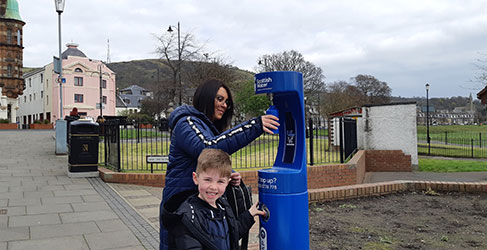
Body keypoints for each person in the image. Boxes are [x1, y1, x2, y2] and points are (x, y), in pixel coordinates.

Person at [160, 78, 279, 249]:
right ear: (206, 97)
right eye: (220, 99)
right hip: (183, 209)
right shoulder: (186, 122)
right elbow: (207, 148)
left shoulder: (205, 127)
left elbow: (207, 162)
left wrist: (226, 177)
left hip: (203, 203)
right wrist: (255, 125)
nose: (224, 105)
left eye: (227, 102)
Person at [161, 148, 266, 250]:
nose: (213, 187)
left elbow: (231, 235)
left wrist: (249, 214)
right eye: (208, 180)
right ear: (195, 178)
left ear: (227, 182)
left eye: (220, 181)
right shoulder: (188, 217)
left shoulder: (222, 205)